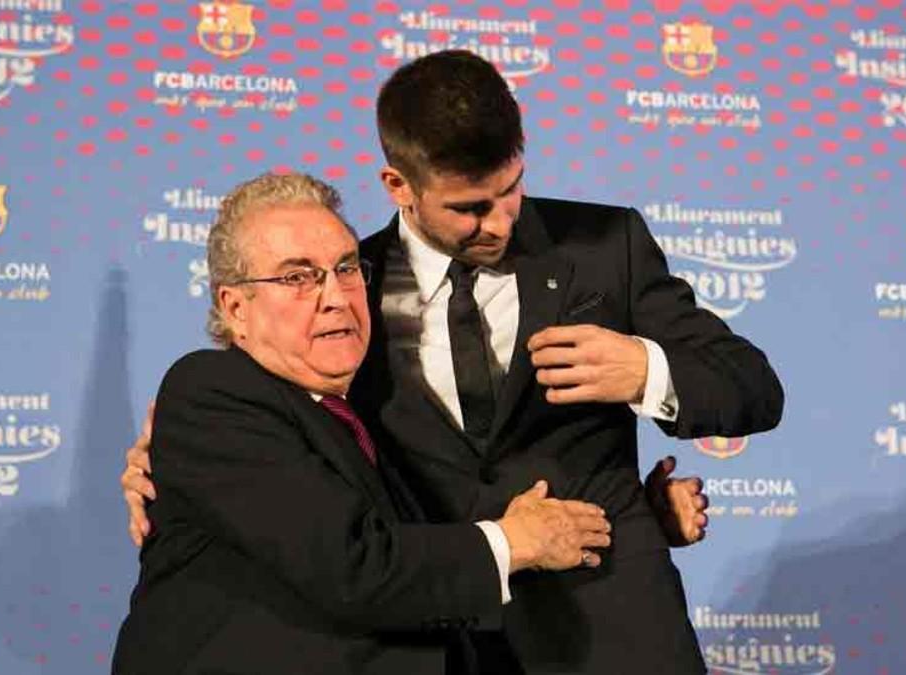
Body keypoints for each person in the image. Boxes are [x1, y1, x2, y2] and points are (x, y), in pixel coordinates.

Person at [124, 50, 783, 673]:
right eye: (468, 208)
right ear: (399, 186)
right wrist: (161, 468)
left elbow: (750, 386)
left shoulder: (605, 248)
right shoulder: (352, 287)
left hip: (614, 630)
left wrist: (647, 371)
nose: (500, 222)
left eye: (512, 189)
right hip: (441, 639)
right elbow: (283, 429)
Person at [111, 173, 615, 675]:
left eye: (346, 267)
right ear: (235, 308)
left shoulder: (368, 415)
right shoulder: (213, 390)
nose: (335, 296)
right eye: (296, 277)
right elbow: (354, 567)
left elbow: (430, 549)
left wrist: (644, 510)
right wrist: (513, 541)